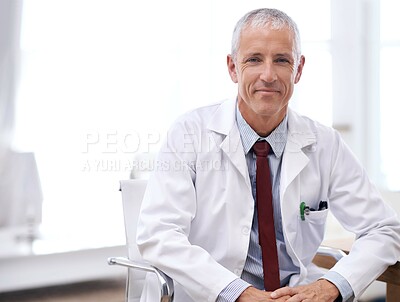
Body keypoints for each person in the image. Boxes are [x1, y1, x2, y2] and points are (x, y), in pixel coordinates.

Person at [136, 8, 400, 302]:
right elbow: (159, 234)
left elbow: (383, 228)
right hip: (214, 294)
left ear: (298, 69)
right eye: (254, 59)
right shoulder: (189, 134)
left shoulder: (325, 143)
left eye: (282, 60)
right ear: (233, 67)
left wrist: (331, 286)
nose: (268, 75)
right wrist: (239, 293)